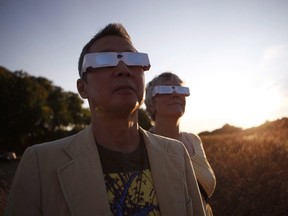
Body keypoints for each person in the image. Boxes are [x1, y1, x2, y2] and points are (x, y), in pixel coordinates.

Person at [5, 23, 206, 216]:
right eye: (104, 60)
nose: (123, 69)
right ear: (82, 88)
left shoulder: (177, 153)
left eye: (134, 60)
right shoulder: (40, 165)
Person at [145, 72, 216, 216]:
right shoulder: (144, 144)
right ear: (152, 104)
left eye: (180, 89)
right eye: (166, 90)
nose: (175, 94)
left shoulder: (194, 140)